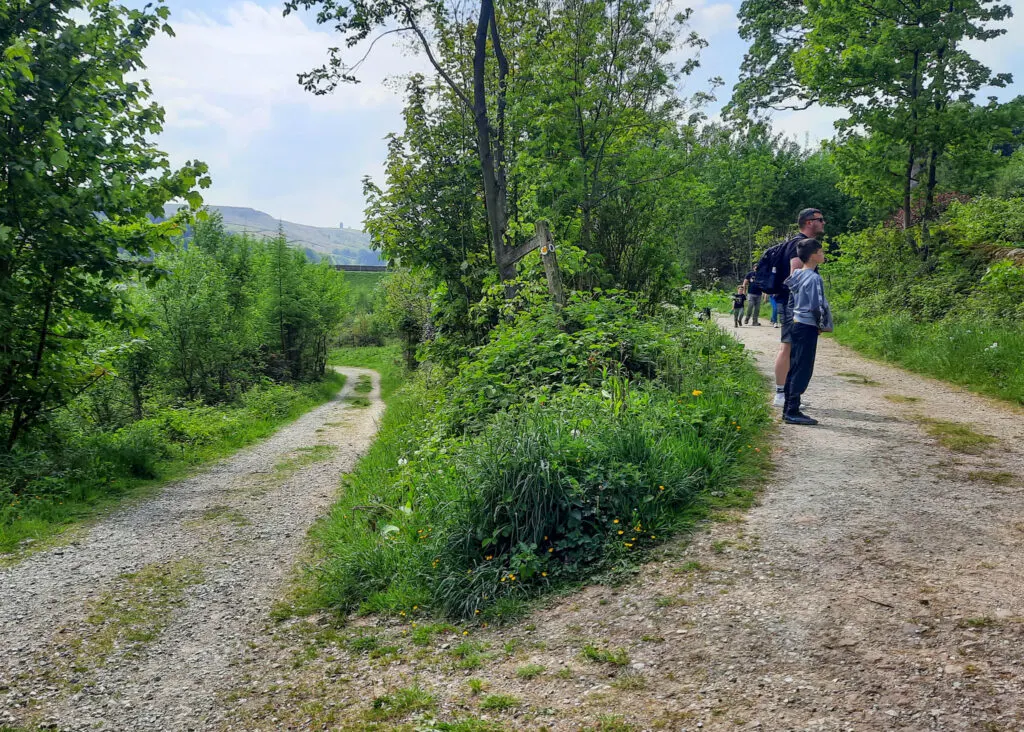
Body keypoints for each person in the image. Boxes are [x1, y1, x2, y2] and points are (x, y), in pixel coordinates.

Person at [772, 208, 826, 407]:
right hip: (792, 306)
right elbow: (795, 277)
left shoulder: (800, 243)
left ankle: (786, 394)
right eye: (820, 220)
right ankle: (782, 395)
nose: (823, 223)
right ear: (809, 222)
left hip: (790, 305)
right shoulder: (798, 245)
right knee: (787, 347)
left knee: (789, 347)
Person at [782, 238, 830, 425]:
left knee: (794, 365)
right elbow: (816, 305)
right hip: (807, 325)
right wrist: (820, 325)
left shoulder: (796, 275)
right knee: (803, 368)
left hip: (796, 323)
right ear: (813, 256)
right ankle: (793, 411)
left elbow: (791, 302)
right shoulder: (814, 278)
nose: (823, 254)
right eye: (821, 251)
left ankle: (789, 407)